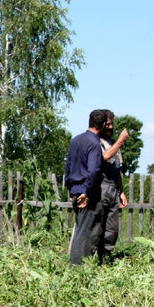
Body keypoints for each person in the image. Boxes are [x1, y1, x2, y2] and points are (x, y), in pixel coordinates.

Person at [65, 110, 108, 265]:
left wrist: (70, 188)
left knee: (81, 229)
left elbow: (69, 165)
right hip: (87, 193)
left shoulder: (76, 140)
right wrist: (88, 192)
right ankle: (77, 267)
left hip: (76, 190)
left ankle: (82, 265)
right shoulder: (94, 144)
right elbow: (94, 170)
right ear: (103, 125)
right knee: (86, 232)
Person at [97, 111, 131, 261]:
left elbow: (118, 170)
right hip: (99, 189)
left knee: (112, 230)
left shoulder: (113, 144)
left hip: (113, 190)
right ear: (102, 124)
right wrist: (121, 141)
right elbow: (105, 157)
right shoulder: (96, 142)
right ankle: (93, 261)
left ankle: (106, 259)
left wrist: (121, 191)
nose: (111, 127)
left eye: (112, 124)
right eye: (108, 124)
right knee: (97, 228)